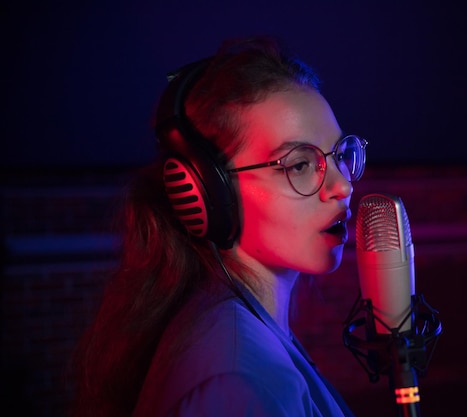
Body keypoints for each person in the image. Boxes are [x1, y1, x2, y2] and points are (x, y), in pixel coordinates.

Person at [70, 37, 368, 417]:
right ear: (210, 192)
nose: (343, 185)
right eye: (298, 164)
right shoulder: (239, 380)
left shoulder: (243, 339)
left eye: (341, 154)